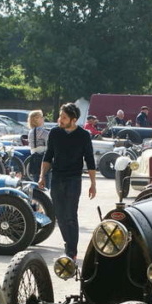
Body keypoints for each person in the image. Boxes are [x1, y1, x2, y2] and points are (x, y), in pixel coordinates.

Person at [38, 103, 97, 261]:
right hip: (57, 178)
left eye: (64, 117)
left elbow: (90, 160)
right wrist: (42, 176)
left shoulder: (83, 135)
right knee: (59, 214)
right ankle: (68, 244)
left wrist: (93, 184)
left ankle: (71, 250)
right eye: (60, 116)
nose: (60, 120)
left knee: (70, 215)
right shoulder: (55, 133)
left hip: (74, 179)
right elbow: (48, 156)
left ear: (74, 120)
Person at [26, 109, 49, 182]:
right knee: (46, 182)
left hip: (34, 159)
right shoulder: (43, 132)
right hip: (44, 159)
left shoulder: (31, 132)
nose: (43, 119)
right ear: (36, 119)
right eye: (41, 117)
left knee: (36, 181)